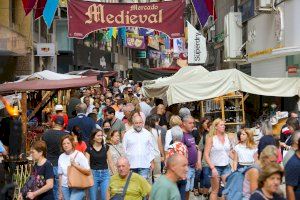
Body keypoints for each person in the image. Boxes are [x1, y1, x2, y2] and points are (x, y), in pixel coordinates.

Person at [204, 118, 231, 200]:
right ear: (216, 127)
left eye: (224, 125)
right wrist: (212, 168)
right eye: (221, 125)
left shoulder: (227, 136)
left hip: (226, 166)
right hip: (215, 167)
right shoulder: (211, 138)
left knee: (228, 189)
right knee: (215, 190)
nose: (224, 126)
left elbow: (229, 152)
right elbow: (206, 154)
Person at [42, 116, 67, 200]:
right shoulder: (66, 135)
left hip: (48, 164)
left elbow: (42, 148)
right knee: (59, 190)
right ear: (63, 124)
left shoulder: (46, 134)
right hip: (61, 165)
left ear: (53, 123)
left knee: (47, 190)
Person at [58, 135, 90, 200]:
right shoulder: (61, 157)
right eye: (63, 144)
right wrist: (60, 192)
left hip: (78, 186)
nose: (66, 145)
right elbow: (60, 175)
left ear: (72, 143)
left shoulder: (79, 155)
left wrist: (75, 165)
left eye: (68, 143)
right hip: (65, 186)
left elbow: (88, 171)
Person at [123, 115, 155, 180]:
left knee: (143, 188)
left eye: (140, 123)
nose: (138, 125)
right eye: (136, 123)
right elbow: (124, 149)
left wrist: (152, 162)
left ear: (143, 123)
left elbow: (151, 149)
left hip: (144, 165)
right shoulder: (127, 134)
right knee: (133, 187)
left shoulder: (148, 134)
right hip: (131, 166)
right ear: (133, 123)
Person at [86, 129, 114, 200]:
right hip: (93, 174)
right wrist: (90, 175)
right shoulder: (89, 149)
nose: (100, 137)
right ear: (93, 137)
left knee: (106, 197)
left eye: (101, 135)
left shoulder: (106, 147)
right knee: (93, 198)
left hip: (105, 175)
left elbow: (110, 162)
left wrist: (115, 174)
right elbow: (87, 164)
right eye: (98, 135)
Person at [181, 115, 201, 200]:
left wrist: (197, 161)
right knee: (184, 190)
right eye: (190, 123)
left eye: (193, 123)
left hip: (192, 167)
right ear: (184, 123)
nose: (192, 125)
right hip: (186, 167)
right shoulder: (181, 135)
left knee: (188, 190)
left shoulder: (190, 133)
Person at [166, 126, 188, 200]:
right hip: (183, 175)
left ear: (173, 136)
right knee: (182, 196)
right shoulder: (184, 146)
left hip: (174, 175)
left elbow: (168, 162)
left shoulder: (171, 147)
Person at [145, 115, 164, 182]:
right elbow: (160, 144)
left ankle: (149, 191)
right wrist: (163, 155)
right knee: (157, 175)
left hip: (147, 155)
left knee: (148, 176)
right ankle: (157, 191)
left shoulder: (144, 131)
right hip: (156, 155)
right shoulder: (157, 130)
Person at [197, 118, 211, 199]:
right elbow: (200, 149)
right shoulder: (205, 136)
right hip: (205, 162)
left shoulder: (217, 136)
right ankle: (205, 195)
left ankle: (206, 194)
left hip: (216, 162)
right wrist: (199, 161)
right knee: (207, 181)